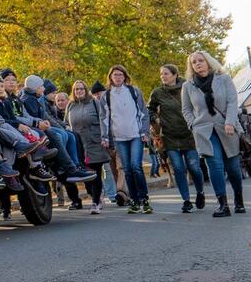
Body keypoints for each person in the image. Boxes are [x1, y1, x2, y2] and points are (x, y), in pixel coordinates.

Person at [180, 50, 246, 218]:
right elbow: (186, 109)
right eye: (194, 62)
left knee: (233, 168)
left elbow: (232, 102)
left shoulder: (223, 79)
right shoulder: (188, 86)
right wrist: (192, 124)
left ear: (208, 62)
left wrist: (230, 121)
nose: (197, 64)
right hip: (203, 131)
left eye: (200, 60)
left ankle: (239, 199)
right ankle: (223, 204)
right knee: (215, 166)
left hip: (226, 127)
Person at [148, 63, 206, 213]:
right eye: (161, 74)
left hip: (189, 135)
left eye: (166, 73)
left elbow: (199, 104)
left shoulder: (187, 87)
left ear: (174, 75)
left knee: (194, 167)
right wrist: (156, 119)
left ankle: (200, 192)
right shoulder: (157, 92)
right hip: (169, 136)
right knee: (179, 169)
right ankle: (186, 200)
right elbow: (149, 109)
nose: (163, 76)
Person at [103, 64, 153, 214]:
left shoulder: (133, 91)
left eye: (120, 75)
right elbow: (104, 118)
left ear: (124, 77)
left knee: (136, 167)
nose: (117, 77)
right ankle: (134, 201)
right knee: (128, 170)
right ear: (110, 78)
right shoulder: (107, 96)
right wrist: (105, 137)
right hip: (119, 137)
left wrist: (145, 132)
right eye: (115, 75)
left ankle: (144, 200)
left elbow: (143, 112)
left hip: (136, 135)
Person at [65, 80, 109, 213]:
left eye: (81, 89)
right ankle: (95, 195)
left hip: (94, 142)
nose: (79, 91)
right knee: (85, 175)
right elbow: (66, 123)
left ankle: (95, 202)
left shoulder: (94, 102)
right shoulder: (71, 105)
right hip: (78, 145)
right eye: (76, 89)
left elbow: (103, 119)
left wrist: (105, 137)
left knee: (95, 172)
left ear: (86, 90)